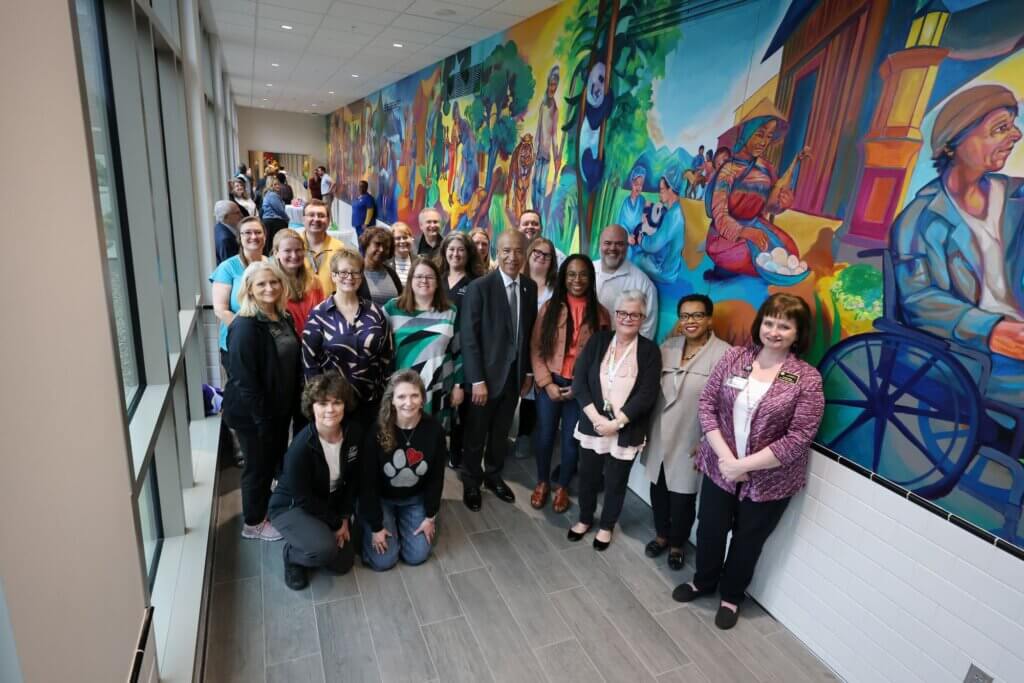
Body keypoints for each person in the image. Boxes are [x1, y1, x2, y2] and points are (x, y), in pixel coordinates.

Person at [672, 293, 824, 630]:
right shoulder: (735, 357)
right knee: (710, 530)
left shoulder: (806, 379)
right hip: (720, 469)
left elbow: (799, 437)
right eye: (769, 322)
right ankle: (704, 581)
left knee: (747, 540)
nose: (774, 331)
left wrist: (745, 466)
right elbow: (707, 405)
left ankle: (731, 595)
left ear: (798, 334)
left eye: (784, 326)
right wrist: (727, 460)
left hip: (770, 482)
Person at [891, 84, 1024, 405]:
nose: (1017, 135)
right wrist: (991, 330)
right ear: (954, 143)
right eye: (1000, 128)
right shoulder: (920, 218)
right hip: (966, 350)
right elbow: (919, 299)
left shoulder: (1016, 198)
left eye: (1013, 125)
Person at [642, 294, 731, 570]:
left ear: (709, 319)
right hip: (659, 433)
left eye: (697, 315)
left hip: (690, 436)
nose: (690, 322)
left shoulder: (725, 354)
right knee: (658, 490)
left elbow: (727, 404)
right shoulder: (668, 346)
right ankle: (661, 535)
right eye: (685, 316)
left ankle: (678, 544)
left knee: (683, 496)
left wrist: (707, 441)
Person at [568, 290, 661, 550]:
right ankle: (585, 518)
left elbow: (647, 394)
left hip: (625, 430)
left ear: (643, 318)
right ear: (616, 314)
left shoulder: (650, 351)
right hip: (592, 425)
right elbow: (579, 382)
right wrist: (597, 419)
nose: (627, 318)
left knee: (616, 482)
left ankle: (607, 525)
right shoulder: (598, 340)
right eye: (623, 313)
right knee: (587, 476)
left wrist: (616, 423)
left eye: (634, 314)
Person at [222, 260, 302, 543]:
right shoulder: (245, 326)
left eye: (274, 282)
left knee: (271, 462)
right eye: (261, 284)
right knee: (257, 467)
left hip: (276, 410)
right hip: (252, 414)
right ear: (249, 290)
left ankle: (270, 507)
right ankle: (253, 523)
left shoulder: (283, 318)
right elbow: (245, 381)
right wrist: (263, 421)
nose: (269, 288)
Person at [459, 230, 538, 510]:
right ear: (496, 253)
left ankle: (493, 475)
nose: (512, 257)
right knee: (476, 433)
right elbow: (469, 338)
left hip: (514, 378)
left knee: (501, 432)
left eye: (518, 251)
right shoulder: (480, 288)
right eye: (506, 251)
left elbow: (528, 335)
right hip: (484, 379)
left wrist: (528, 373)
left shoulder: (530, 288)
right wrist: (476, 380)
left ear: (525, 254)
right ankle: (471, 481)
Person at [530, 256, 611, 512]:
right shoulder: (549, 309)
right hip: (551, 383)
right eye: (572, 274)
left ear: (591, 278)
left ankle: (562, 485)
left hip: (579, 388)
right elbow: (536, 348)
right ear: (563, 278)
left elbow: (602, 359)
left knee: (570, 441)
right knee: (544, 437)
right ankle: (543, 482)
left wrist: (579, 387)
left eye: (583, 274)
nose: (577, 280)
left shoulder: (601, 315)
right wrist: (546, 382)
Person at [268, 372, 361, 590]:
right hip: (291, 506)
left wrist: (345, 516)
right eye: (323, 403)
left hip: (326, 500)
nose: (330, 410)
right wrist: (336, 523)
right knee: (324, 550)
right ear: (312, 407)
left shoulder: (354, 433)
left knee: (343, 563)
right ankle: (291, 555)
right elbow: (304, 499)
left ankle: (315, 542)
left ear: (345, 405)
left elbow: (354, 478)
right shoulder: (301, 448)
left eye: (337, 402)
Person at [704, 99, 809, 282]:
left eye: (769, 137)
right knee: (745, 256)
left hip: (757, 225)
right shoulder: (728, 170)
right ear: (747, 132)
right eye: (760, 134)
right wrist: (745, 232)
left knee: (790, 250)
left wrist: (782, 204)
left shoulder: (767, 169)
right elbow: (719, 215)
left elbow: (769, 207)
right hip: (727, 233)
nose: (764, 142)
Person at [360, 371, 447, 571]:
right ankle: (366, 523)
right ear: (391, 401)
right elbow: (367, 482)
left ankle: (399, 524)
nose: (409, 402)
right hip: (382, 498)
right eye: (401, 397)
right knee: (384, 561)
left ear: (423, 398)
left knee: (417, 556)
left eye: (415, 396)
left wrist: (430, 516)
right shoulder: (377, 431)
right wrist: (376, 527)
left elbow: (436, 478)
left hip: (415, 498)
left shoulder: (434, 430)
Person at [302, 248, 394, 426]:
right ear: (333, 276)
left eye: (355, 272)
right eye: (343, 272)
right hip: (333, 404)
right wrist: (319, 404)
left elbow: (386, 357)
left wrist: (385, 396)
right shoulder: (319, 314)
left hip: (370, 401)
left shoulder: (375, 312)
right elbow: (310, 364)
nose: (350, 277)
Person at [385, 257, 464, 426]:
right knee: (403, 434)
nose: (424, 281)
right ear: (410, 280)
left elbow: (459, 351)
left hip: (439, 385)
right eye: (419, 276)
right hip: (403, 388)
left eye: (429, 277)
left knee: (434, 436)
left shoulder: (450, 311)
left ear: (437, 282)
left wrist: (459, 385)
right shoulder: (392, 308)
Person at [439, 232, 483, 469]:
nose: (456, 254)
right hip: (439, 353)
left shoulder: (476, 284)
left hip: (463, 352)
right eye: (451, 249)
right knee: (439, 404)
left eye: (461, 250)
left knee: (459, 407)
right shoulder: (437, 278)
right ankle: (438, 448)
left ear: (469, 253)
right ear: (445, 252)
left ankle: (456, 450)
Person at [211, 216, 266, 356]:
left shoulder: (272, 264)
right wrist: (247, 333)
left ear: (265, 236)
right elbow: (220, 310)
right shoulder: (227, 268)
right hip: (239, 340)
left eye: (258, 232)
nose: (253, 236)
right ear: (239, 238)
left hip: (269, 341)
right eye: (247, 232)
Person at [593, 224, 659, 339]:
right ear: (600, 245)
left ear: (627, 246)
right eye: (607, 243)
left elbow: (646, 331)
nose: (612, 248)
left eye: (619, 244)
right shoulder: (587, 271)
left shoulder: (643, 284)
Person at [633, 167, 685, 284]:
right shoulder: (676, 210)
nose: (659, 194)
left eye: (661, 190)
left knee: (636, 259)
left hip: (665, 271)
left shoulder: (673, 216)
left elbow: (653, 245)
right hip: (672, 265)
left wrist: (642, 239)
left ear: (670, 190)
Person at [271, 229, 325, 336]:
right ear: (276, 253)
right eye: (287, 251)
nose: (294, 255)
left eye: (298, 250)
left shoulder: (314, 281)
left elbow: (322, 315)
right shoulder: (271, 285)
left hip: (313, 342)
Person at [301, 199, 346, 298]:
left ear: (328, 220)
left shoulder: (339, 248)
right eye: (311, 215)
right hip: (298, 309)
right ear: (303, 219)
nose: (316, 219)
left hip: (329, 308)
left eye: (321, 215)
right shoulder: (293, 245)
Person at [533, 65, 562, 214]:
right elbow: (538, 129)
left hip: (547, 155)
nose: (553, 88)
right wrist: (534, 149)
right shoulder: (543, 105)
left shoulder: (555, 109)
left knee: (542, 187)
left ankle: (538, 214)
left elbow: (554, 135)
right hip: (538, 153)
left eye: (555, 86)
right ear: (547, 84)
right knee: (534, 184)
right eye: (551, 84)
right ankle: (534, 211)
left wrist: (557, 155)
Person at [358, 226, 403, 307]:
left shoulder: (392, 273)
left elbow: (401, 300)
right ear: (366, 244)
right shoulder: (355, 273)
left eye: (386, 247)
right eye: (377, 244)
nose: (381, 249)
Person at [259, 176, 289, 250]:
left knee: (269, 245)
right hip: (273, 222)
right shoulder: (273, 195)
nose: (278, 186)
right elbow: (280, 210)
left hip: (269, 222)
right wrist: (287, 219)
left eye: (278, 184)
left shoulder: (269, 194)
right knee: (275, 245)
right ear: (270, 185)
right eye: (275, 184)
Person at [214, 200, 242, 265]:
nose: (241, 215)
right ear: (226, 217)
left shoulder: (218, 227)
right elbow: (231, 266)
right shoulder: (226, 239)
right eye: (237, 213)